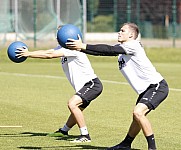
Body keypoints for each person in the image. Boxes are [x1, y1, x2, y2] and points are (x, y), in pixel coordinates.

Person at [66, 22, 169, 150]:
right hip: (146, 90)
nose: (119, 33)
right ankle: (126, 144)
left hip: (157, 87)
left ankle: (152, 148)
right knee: (136, 117)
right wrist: (81, 48)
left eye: (122, 30)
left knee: (138, 113)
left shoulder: (133, 46)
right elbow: (103, 52)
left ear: (131, 35)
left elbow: (110, 50)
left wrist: (83, 45)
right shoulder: (123, 49)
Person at [15, 29, 103, 143]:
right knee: (77, 109)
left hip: (92, 84)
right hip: (86, 86)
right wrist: (30, 52)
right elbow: (47, 51)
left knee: (72, 104)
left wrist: (28, 54)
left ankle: (85, 135)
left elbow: (49, 55)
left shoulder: (73, 49)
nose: (58, 37)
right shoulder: (62, 49)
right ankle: (64, 131)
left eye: (60, 34)